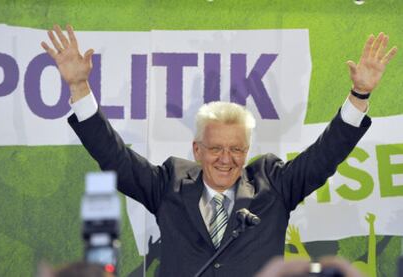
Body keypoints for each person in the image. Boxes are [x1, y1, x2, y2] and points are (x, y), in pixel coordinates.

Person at [41, 25, 397, 277]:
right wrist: (79, 86)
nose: (226, 159)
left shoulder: (273, 184)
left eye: (237, 149)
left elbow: (325, 154)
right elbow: (113, 156)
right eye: (215, 149)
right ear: (197, 149)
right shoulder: (168, 183)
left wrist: (359, 95)